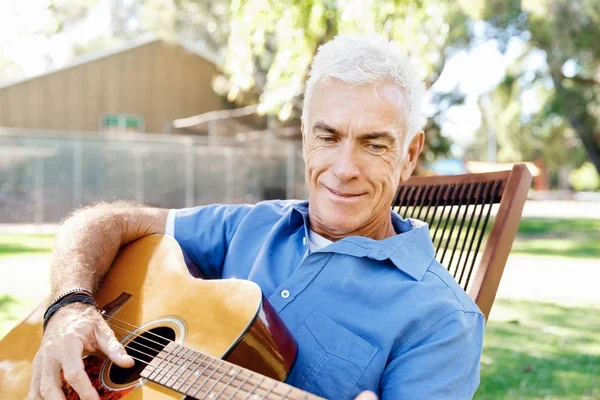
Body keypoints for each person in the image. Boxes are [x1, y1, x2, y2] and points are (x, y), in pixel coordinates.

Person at [28, 35, 484, 400]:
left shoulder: (443, 320)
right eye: (328, 136)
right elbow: (101, 222)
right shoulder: (250, 226)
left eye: (375, 144)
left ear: (410, 154)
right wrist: (69, 307)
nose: (344, 169)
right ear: (306, 138)